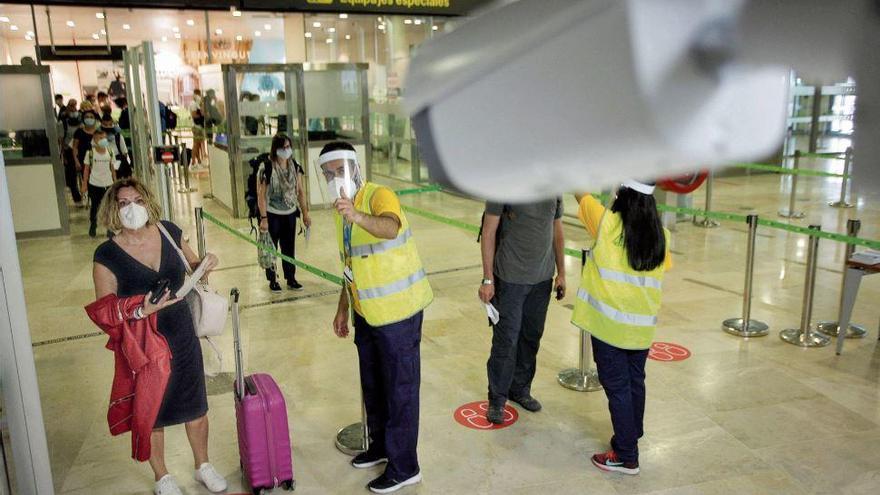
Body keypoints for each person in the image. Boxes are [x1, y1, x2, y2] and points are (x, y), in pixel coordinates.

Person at [91, 178, 226, 495]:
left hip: (181, 331)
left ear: (148, 202)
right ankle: (162, 475)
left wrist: (205, 265)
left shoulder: (167, 231)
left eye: (137, 200)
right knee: (153, 411)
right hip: (142, 343)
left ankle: (202, 465)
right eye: (124, 203)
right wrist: (141, 308)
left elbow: (192, 264)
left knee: (196, 405)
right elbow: (103, 310)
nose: (132, 208)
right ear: (113, 209)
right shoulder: (107, 255)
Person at [323, 141, 432, 494]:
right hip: (366, 313)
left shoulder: (377, 195)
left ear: (355, 167)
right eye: (329, 173)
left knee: (400, 388)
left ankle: (405, 467)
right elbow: (350, 266)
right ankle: (382, 447)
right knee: (374, 386)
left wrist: (356, 215)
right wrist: (343, 308)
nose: (335, 178)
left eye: (340, 170)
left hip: (398, 313)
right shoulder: (342, 213)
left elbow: (390, 227)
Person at [572, 182, 671, 476]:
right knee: (634, 383)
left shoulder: (605, 223)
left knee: (618, 389)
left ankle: (626, 455)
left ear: (622, 195)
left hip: (609, 328)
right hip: (641, 331)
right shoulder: (661, 236)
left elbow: (578, 191)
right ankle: (631, 434)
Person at [478, 196, 566, 424]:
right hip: (510, 278)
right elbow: (488, 231)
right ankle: (497, 399)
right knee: (506, 341)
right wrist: (488, 279)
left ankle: (520, 389)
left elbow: (556, 229)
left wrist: (562, 273)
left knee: (531, 337)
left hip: (542, 279)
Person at [256, 134, 310, 292]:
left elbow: (300, 191)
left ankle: (291, 278)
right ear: (276, 149)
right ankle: (273, 280)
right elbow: (261, 195)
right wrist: (264, 218)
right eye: (283, 147)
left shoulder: (295, 166)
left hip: (290, 213)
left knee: (289, 248)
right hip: (272, 214)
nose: (287, 150)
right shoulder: (267, 167)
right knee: (271, 249)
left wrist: (305, 213)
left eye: (288, 147)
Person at [81, 130, 117, 237]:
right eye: (100, 138)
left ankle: (109, 227)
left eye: (104, 138)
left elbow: (113, 168)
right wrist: (84, 184)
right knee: (95, 206)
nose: (103, 140)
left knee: (109, 206)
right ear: (94, 140)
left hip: (108, 184)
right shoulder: (90, 153)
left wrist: (115, 182)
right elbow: (86, 169)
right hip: (94, 184)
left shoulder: (110, 152)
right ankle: (93, 224)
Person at [60, 99, 84, 206]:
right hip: (69, 151)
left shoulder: (81, 119)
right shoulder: (64, 121)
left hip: (82, 150)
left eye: (75, 105)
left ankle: (85, 194)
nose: (73, 108)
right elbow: (60, 139)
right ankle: (77, 198)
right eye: (71, 105)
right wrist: (63, 154)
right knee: (72, 176)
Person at [71, 110, 100, 188]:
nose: (89, 119)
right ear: (83, 119)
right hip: (84, 162)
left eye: (91, 117)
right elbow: (75, 147)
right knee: (89, 183)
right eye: (87, 117)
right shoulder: (79, 132)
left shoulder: (99, 132)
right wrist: (76, 161)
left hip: (99, 161)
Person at [100, 113, 130, 178]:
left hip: (117, 160)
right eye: (105, 125)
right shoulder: (98, 137)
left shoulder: (118, 136)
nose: (108, 127)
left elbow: (124, 152)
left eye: (110, 124)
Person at [189, 89, 207, 169]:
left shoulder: (197, 104)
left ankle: (198, 161)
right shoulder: (193, 104)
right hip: (196, 127)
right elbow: (194, 115)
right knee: (196, 145)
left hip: (199, 127)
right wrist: (202, 115)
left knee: (198, 145)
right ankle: (193, 163)